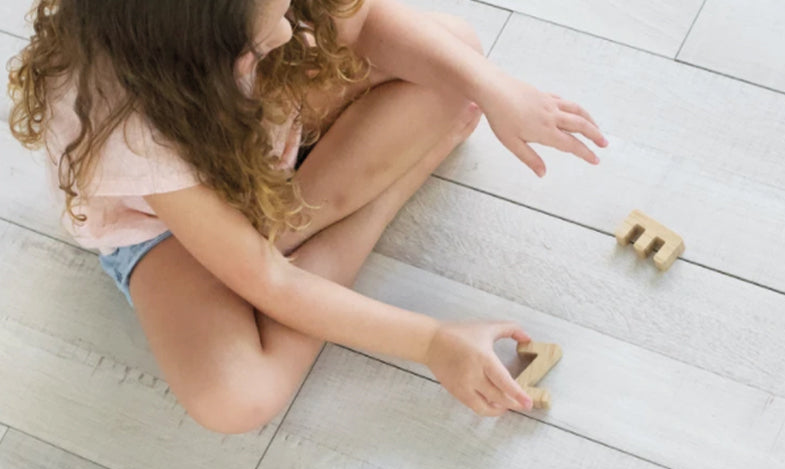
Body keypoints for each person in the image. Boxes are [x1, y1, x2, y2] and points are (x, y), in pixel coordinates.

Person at [8, 0, 607, 433]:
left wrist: (494, 87)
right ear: (202, 50)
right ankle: (373, 210)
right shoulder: (132, 126)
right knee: (237, 399)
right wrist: (431, 341)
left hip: (262, 143)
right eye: (268, 30)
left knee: (455, 56)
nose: (289, 24)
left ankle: (275, 234)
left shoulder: (269, 21)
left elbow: (366, 22)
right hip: (166, 228)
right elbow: (270, 281)